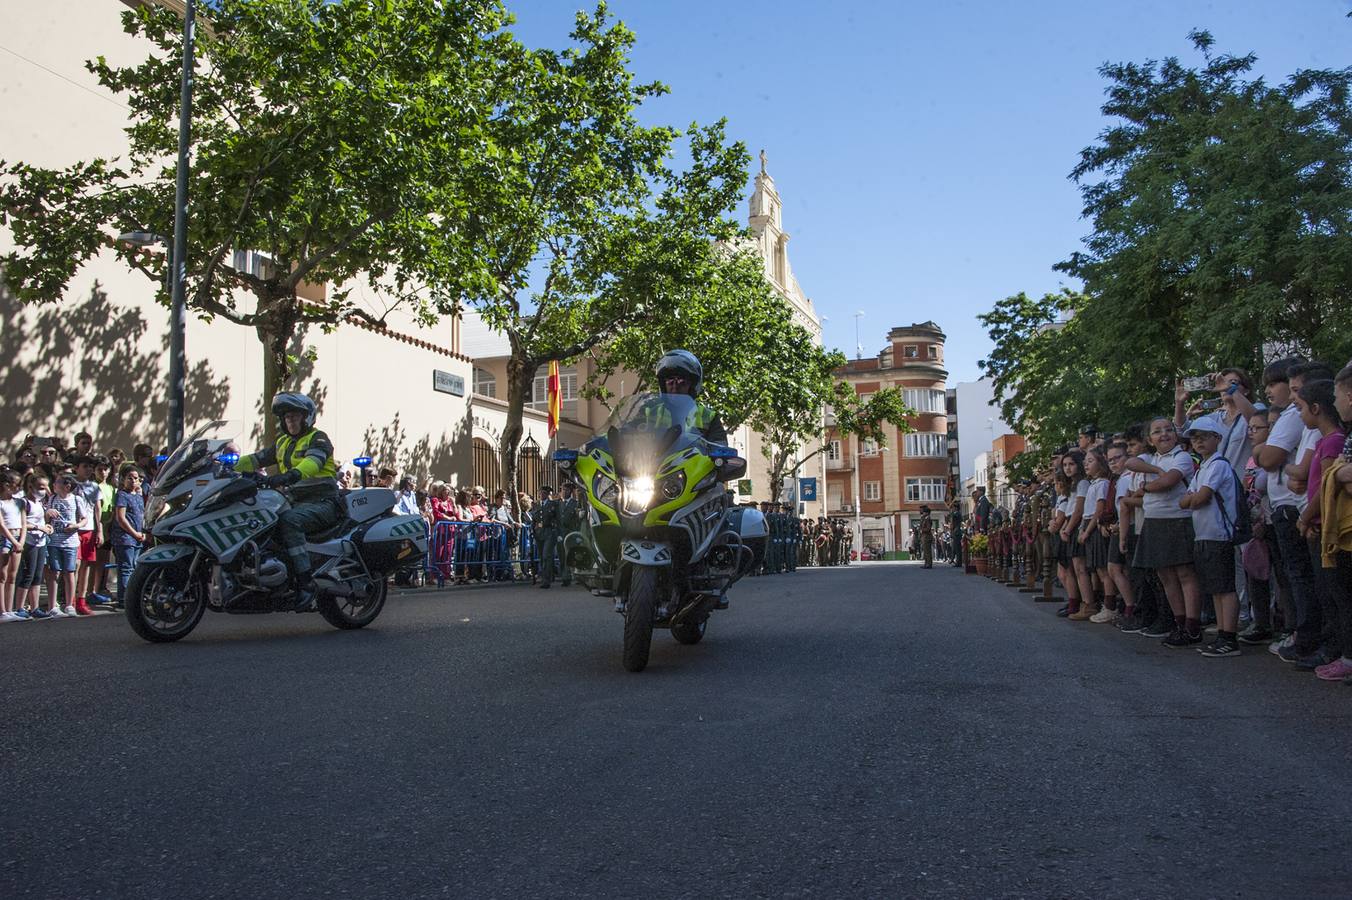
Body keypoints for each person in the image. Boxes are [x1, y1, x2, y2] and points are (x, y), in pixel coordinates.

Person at [234, 392, 342, 612]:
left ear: (306, 418)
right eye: (287, 417)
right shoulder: (282, 442)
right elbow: (256, 459)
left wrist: (290, 475)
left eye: (295, 416)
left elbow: (313, 463)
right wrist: (223, 465)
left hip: (323, 502)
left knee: (289, 521)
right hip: (293, 501)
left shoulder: (318, 438)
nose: (290, 421)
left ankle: (306, 582)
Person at [1179, 419, 1243, 657]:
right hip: (1203, 534)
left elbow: (1199, 498)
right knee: (1215, 588)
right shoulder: (1202, 468)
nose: (1198, 441)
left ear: (1217, 438)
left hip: (1219, 534)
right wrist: (1193, 498)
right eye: (1194, 438)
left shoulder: (1218, 465)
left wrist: (1194, 497)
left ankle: (1230, 637)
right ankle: (1221, 634)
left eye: (1204, 436)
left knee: (1225, 587)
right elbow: (1184, 501)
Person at [653, 349, 727, 444]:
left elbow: (721, 447)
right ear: (663, 384)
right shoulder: (649, 413)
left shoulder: (708, 417)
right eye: (670, 380)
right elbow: (630, 434)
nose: (675, 387)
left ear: (692, 385)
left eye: (681, 381)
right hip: (654, 459)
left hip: (694, 459)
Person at [111, 466, 147, 605]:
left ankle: (132, 596)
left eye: (135, 478)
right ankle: (124, 598)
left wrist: (142, 533)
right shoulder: (122, 495)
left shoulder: (138, 496)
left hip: (138, 537)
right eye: (129, 478)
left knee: (135, 568)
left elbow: (141, 515)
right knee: (126, 568)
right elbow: (121, 518)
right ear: (123, 480)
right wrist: (134, 533)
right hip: (125, 537)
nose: (133, 481)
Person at [535, 485, 560, 588]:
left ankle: (546, 580)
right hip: (539, 532)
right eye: (540, 493)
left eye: (544, 493)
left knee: (546, 556)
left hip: (550, 531)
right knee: (541, 556)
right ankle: (548, 575)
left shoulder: (553, 504)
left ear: (548, 494)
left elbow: (557, 518)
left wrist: (558, 533)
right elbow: (535, 519)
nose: (541, 495)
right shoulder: (537, 505)